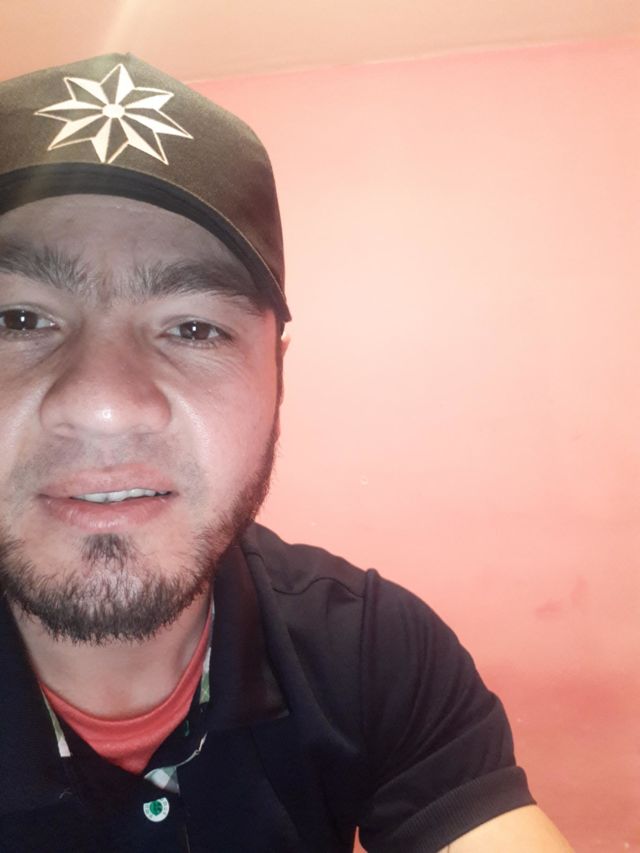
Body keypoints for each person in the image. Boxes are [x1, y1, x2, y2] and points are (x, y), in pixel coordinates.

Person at [0, 53, 572, 852]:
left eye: (194, 327)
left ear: (278, 374)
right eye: (18, 319)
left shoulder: (373, 650)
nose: (102, 404)